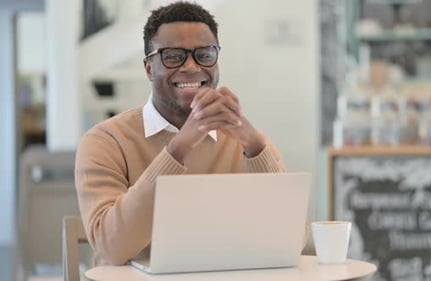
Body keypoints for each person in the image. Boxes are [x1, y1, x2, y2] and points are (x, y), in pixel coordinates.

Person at [75, 1, 285, 266]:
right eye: (173, 56)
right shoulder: (104, 142)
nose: (191, 66)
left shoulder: (249, 142)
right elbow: (112, 248)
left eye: (205, 54)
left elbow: (288, 241)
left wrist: (255, 145)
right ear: (149, 68)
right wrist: (179, 147)